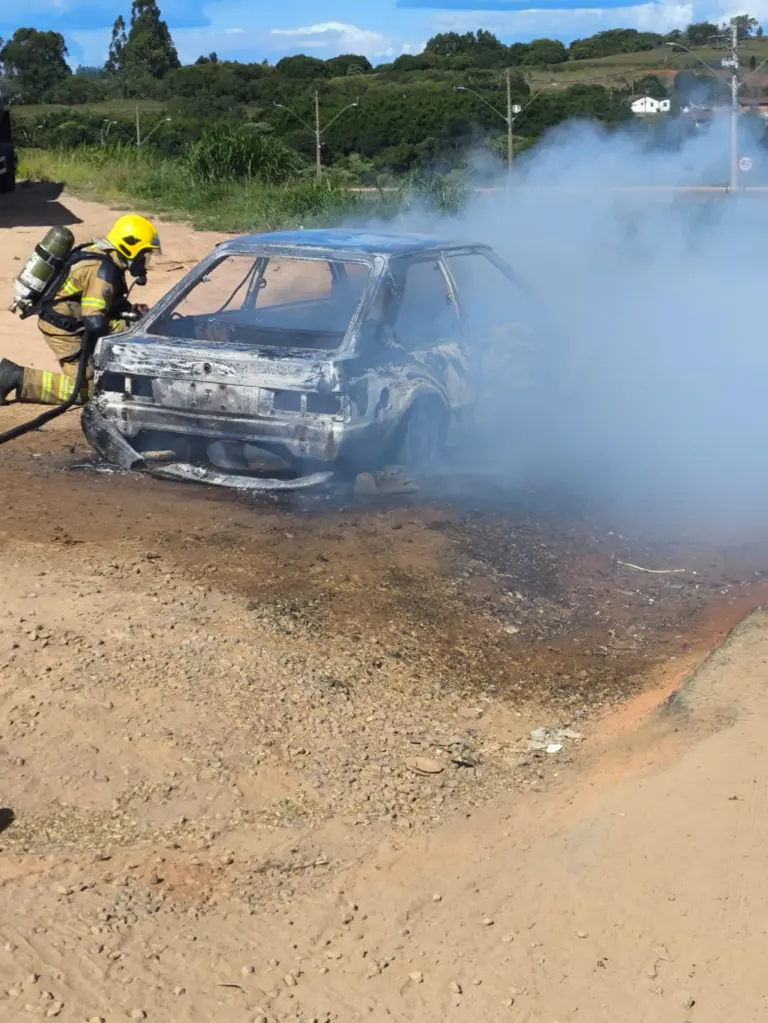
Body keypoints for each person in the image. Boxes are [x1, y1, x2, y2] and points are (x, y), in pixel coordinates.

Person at [0, 214, 161, 406]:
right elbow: (95, 322)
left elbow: (100, 300)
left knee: (102, 374)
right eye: (144, 255)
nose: (145, 261)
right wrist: (127, 326)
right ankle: (16, 377)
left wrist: (129, 310)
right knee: (89, 390)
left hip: (71, 320)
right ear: (130, 247)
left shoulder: (104, 256)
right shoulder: (103, 271)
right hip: (63, 329)